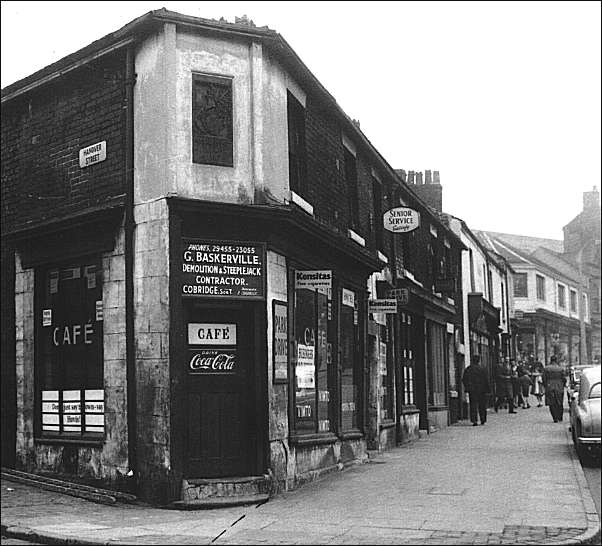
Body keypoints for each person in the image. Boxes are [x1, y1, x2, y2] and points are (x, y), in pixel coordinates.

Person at [462, 353, 491, 426]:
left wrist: (467, 387)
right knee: (482, 405)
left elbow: (464, 379)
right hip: (482, 390)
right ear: (479, 361)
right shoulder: (483, 369)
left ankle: (474, 421)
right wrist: (488, 389)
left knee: (473, 405)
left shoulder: (468, 369)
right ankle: (483, 420)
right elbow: (486, 380)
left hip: (472, 390)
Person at [543, 355, 566, 422]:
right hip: (559, 386)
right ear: (556, 360)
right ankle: (560, 417)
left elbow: (544, 378)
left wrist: (546, 385)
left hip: (549, 386)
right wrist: (563, 385)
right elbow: (564, 378)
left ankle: (555, 418)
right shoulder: (560, 369)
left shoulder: (546, 368)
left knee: (551, 403)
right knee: (559, 402)